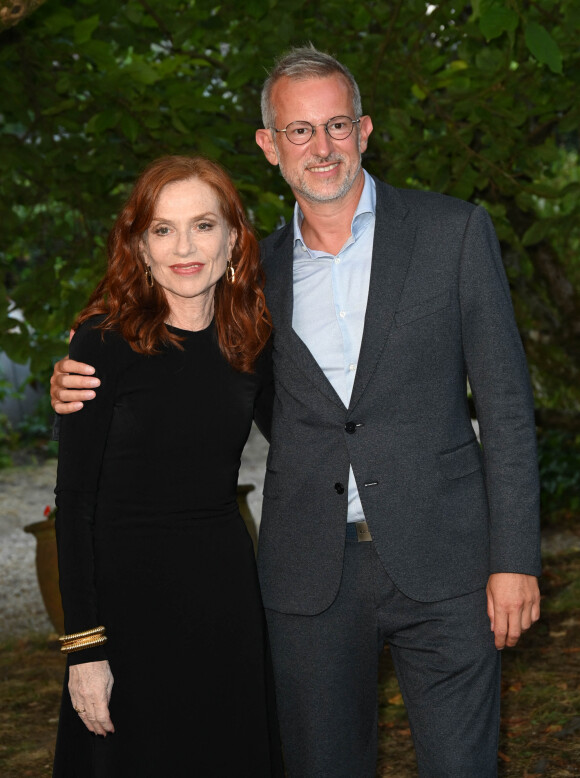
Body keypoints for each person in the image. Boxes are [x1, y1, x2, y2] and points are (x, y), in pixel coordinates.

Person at [51, 47, 541, 777]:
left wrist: (514, 561)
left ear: (365, 130)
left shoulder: (453, 233)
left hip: (449, 565)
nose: (322, 146)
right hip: (309, 577)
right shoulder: (254, 279)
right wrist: (74, 375)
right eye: (300, 130)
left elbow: (506, 409)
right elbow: (170, 359)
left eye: (336, 125)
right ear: (270, 145)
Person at [51, 155, 283, 777]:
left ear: (233, 236)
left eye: (203, 226)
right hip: (127, 615)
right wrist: (84, 649)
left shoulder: (251, 338)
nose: (184, 247)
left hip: (224, 602)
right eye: (162, 229)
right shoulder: (103, 340)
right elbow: (73, 506)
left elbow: (309, 436)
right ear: (139, 244)